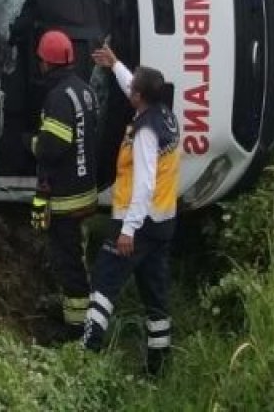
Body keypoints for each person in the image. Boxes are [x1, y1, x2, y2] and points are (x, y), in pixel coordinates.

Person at [83, 44, 179, 376]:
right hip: (163, 223)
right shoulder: (164, 113)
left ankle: (86, 354)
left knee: (105, 282)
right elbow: (133, 86)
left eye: (132, 87)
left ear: (139, 97)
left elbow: (145, 184)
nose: (129, 89)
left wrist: (128, 230)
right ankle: (159, 366)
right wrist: (115, 65)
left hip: (139, 222)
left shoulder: (145, 133)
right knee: (155, 296)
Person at [24, 29, 101, 340]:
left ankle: (75, 330)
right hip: (85, 191)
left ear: (45, 62)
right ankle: (76, 313)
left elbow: (52, 148)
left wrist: (29, 142)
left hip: (66, 198)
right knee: (77, 257)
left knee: (68, 263)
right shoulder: (84, 90)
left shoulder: (57, 98)